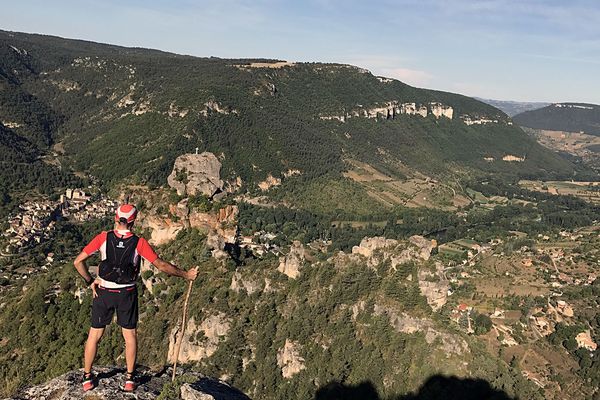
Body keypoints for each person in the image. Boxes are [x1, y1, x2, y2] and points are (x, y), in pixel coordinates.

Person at [73, 204, 198, 392]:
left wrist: (90, 281)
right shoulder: (139, 243)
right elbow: (161, 265)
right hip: (127, 294)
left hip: (103, 292)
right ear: (134, 221)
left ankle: (87, 377)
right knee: (129, 336)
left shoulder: (103, 238)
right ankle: (130, 379)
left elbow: (78, 261)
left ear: (116, 218)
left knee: (95, 335)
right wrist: (186, 275)